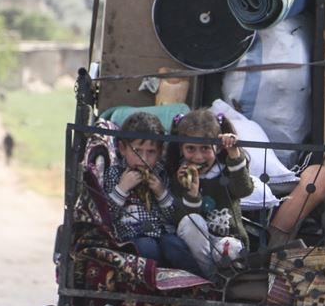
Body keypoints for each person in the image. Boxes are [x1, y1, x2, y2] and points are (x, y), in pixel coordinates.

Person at [102, 112, 201, 276]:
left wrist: (161, 192)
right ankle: (155, 282)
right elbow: (107, 216)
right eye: (137, 151)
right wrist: (122, 189)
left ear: (160, 152)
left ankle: (199, 282)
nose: (144, 159)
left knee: (174, 244)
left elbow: (174, 217)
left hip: (163, 236)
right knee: (147, 246)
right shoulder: (115, 174)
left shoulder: (162, 174)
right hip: (133, 240)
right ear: (122, 149)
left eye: (151, 152)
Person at [167, 110, 256, 278]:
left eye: (206, 148)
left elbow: (244, 190)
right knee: (192, 222)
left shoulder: (226, 169)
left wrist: (234, 155)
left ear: (219, 147)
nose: (198, 157)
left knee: (229, 249)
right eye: (190, 148)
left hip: (226, 238)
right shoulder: (180, 174)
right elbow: (180, 219)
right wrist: (192, 193)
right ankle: (209, 278)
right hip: (196, 244)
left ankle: (225, 281)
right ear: (181, 148)